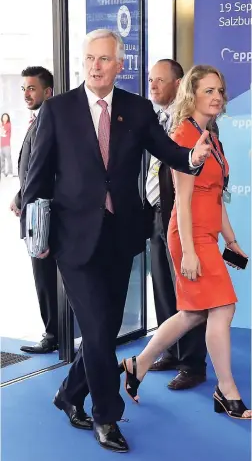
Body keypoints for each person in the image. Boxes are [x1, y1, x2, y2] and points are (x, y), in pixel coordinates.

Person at [21, 30, 211, 453]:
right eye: (89, 58)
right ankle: (107, 416)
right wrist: (35, 236)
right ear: (82, 63)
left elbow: (167, 151)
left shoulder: (137, 109)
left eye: (104, 59)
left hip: (120, 236)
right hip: (72, 240)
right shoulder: (58, 110)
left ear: (119, 65)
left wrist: (193, 158)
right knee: (96, 327)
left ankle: (69, 394)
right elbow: (35, 180)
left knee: (103, 330)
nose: (95, 66)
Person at [121, 64, 251, 420]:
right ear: (191, 94)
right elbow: (182, 197)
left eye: (220, 91)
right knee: (223, 308)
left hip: (207, 234)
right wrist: (191, 252)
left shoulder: (213, 137)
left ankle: (139, 362)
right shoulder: (183, 135)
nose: (217, 97)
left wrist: (232, 239)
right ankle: (227, 391)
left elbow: (215, 196)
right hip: (189, 236)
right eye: (208, 90)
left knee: (193, 314)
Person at [146, 59, 207, 389]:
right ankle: (171, 350)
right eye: (150, 80)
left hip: (179, 217)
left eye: (160, 80)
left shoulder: (190, 124)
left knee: (188, 293)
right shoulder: (156, 120)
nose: (153, 86)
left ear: (179, 83)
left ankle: (193, 364)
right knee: (163, 289)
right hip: (157, 214)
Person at [10, 66, 58, 354]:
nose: (27, 94)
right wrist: (19, 196)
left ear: (47, 91)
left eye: (32, 88)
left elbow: (47, 171)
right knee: (43, 276)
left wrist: (28, 200)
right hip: (34, 209)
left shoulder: (49, 123)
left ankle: (54, 334)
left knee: (45, 275)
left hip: (44, 214)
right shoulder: (38, 121)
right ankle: (54, 332)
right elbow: (32, 169)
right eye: (24, 89)